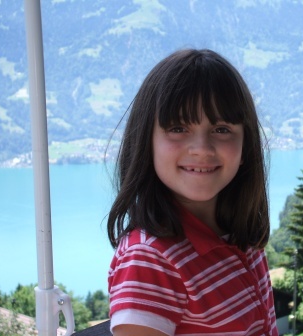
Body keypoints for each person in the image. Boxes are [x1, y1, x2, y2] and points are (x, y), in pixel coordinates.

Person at [107, 48, 278, 336]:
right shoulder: (149, 260)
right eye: (177, 127)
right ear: (145, 142)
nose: (201, 148)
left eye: (222, 129)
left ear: (245, 146)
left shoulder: (241, 237)